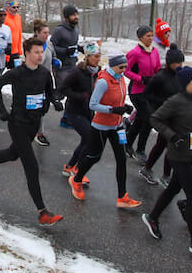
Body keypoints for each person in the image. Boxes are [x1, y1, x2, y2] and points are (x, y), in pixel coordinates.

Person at [0, 37, 63, 227]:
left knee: (13, 153)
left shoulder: (44, 74)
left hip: (33, 123)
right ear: (27, 53)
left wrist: (51, 103)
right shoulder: (17, 73)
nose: (40, 55)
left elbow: (50, 92)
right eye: (37, 52)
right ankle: (43, 212)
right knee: (31, 165)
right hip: (17, 123)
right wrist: (3, 110)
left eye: (42, 52)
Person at [140, 66, 192, 257]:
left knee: (173, 188)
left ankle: (152, 217)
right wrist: (172, 136)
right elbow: (155, 119)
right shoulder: (175, 101)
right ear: (185, 84)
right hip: (178, 154)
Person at [68, 53, 141, 210]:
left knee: (121, 160)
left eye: (125, 67)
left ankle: (122, 196)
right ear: (113, 66)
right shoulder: (103, 81)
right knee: (94, 157)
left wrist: (125, 107)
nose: (124, 70)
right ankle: (77, 179)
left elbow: (119, 98)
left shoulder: (120, 78)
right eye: (121, 67)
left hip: (117, 126)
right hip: (101, 127)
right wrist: (113, 109)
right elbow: (93, 105)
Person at [139, 46, 185, 187]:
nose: (180, 66)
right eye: (177, 63)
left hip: (177, 116)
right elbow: (146, 94)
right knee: (167, 144)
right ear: (169, 63)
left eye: (181, 63)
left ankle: (156, 172)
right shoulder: (160, 77)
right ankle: (160, 173)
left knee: (165, 145)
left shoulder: (181, 75)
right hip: (164, 116)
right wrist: (162, 103)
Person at [59, 42, 100, 180]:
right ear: (87, 57)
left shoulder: (98, 72)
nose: (98, 59)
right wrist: (80, 96)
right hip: (74, 111)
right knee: (90, 140)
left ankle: (70, 166)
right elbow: (63, 88)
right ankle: (78, 169)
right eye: (95, 56)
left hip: (88, 112)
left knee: (85, 141)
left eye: (99, 56)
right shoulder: (77, 72)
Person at [125, 25, 162, 163]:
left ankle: (127, 144)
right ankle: (140, 150)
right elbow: (126, 70)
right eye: (148, 36)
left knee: (141, 118)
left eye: (152, 35)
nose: (151, 38)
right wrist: (141, 79)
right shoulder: (135, 52)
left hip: (150, 90)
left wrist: (159, 77)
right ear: (141, 37)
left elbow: (158, 68)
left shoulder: (154, 52)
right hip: (137, 91)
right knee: (149, 118)